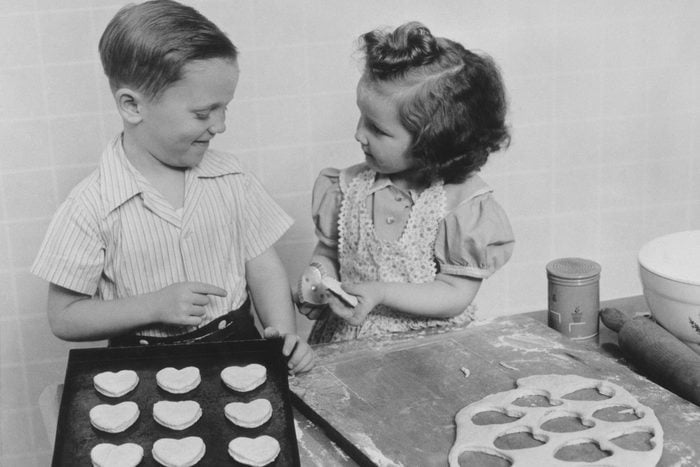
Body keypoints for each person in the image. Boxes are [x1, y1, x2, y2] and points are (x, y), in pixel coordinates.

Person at [30, 0, 314, 373]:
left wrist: (283, 336)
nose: (220, 125)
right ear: (132, 106)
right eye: (203, 113)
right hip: (145, 366)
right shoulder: (90, 206)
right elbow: (64, 317)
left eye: (224, 107)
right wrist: (154, 306)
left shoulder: (232, 178)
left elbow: (263, 268)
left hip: (238, 345)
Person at [300, 22, 515, 344]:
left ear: (434, 144)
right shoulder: (346, 188)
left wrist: (382, 293)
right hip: (347, 339)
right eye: (362, 118)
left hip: (427, 345)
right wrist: (321, 281)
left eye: (378, 129)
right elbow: (330, 251)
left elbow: (455, 293)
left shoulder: (460, 206)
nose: (359, 134)